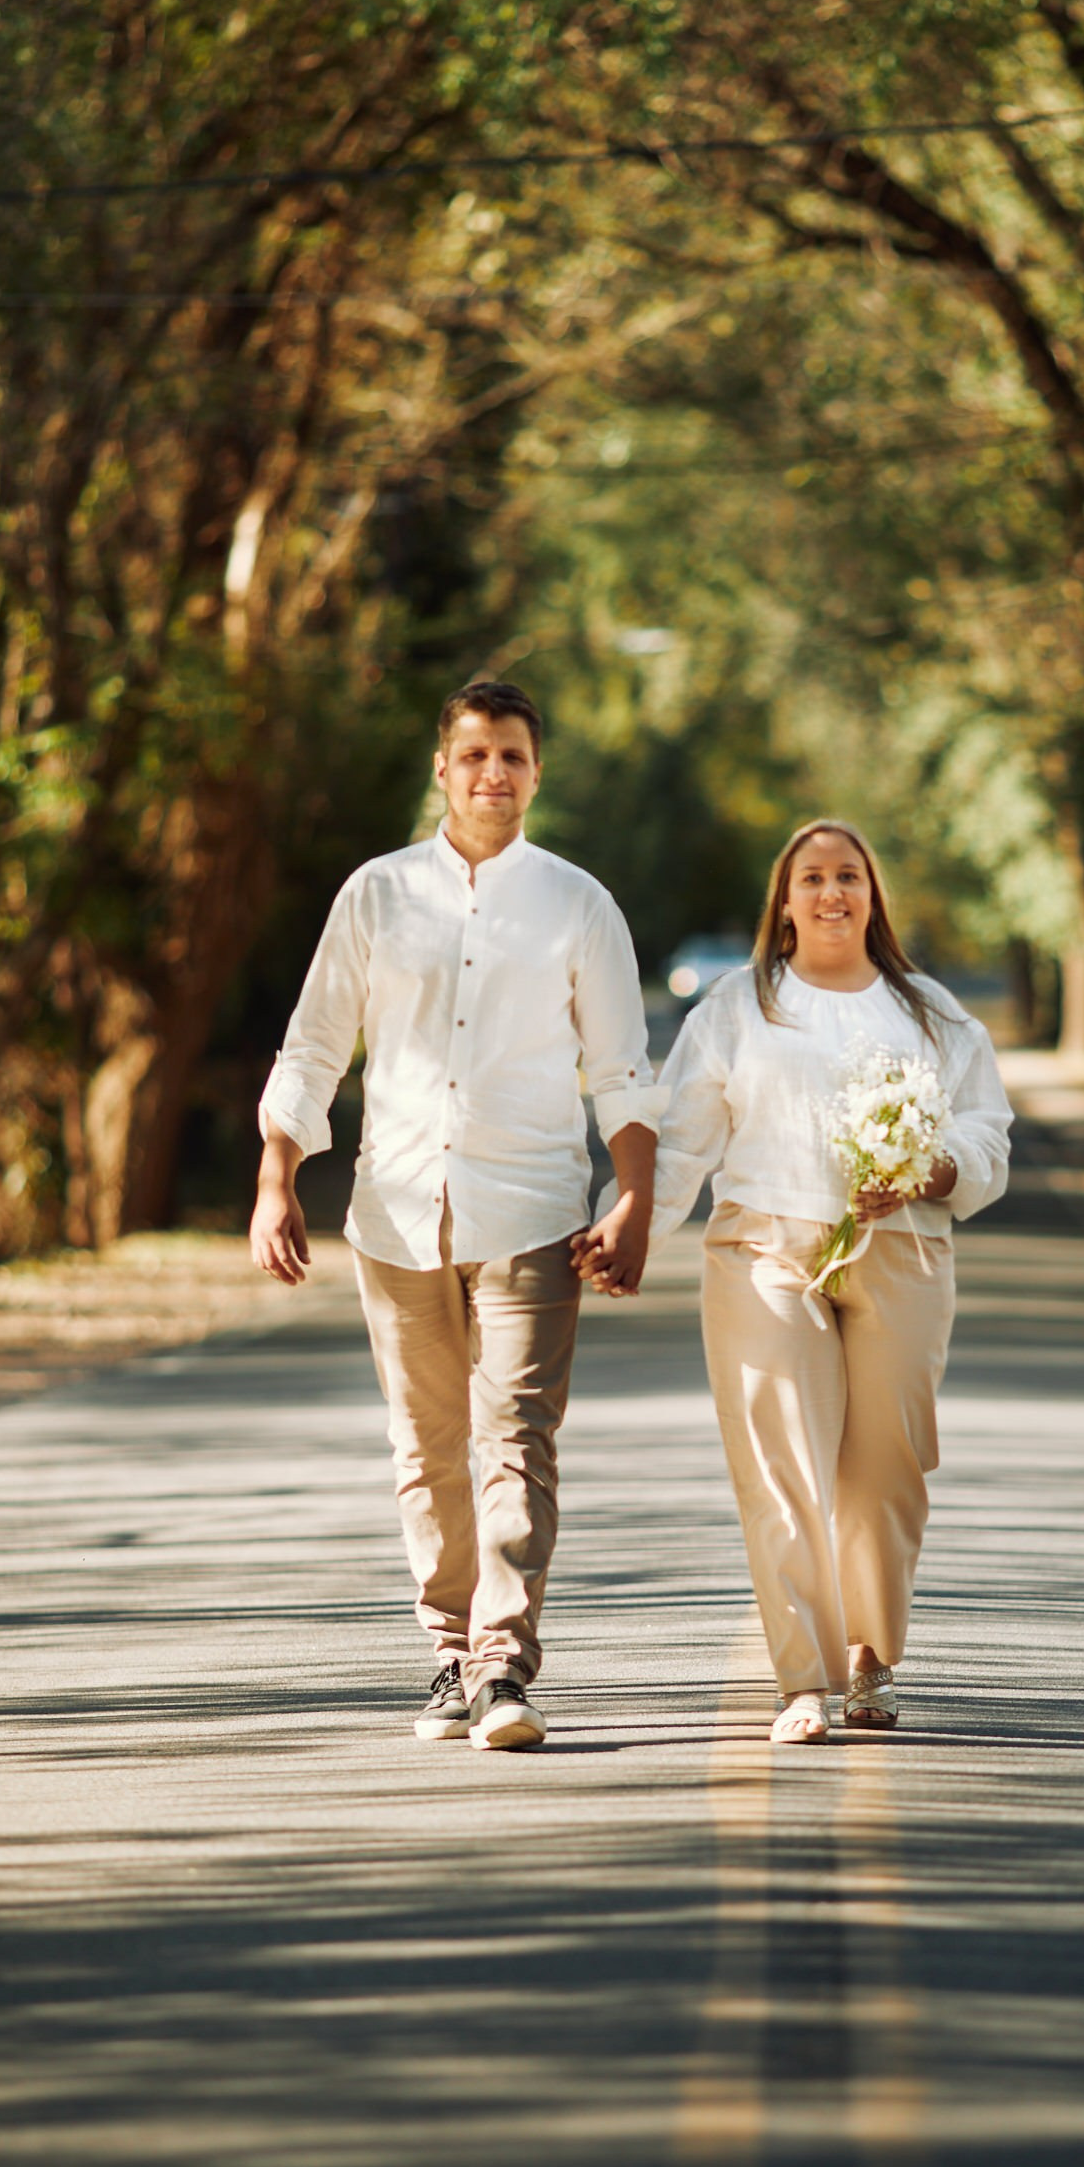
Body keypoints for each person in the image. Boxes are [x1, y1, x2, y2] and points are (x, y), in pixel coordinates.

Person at [249, 679, 657, 1752]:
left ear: (535, 770)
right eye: (473, 754)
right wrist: (274, 1179)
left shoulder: (577, 904)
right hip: (393, 1211)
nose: (492, 774)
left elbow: (619, 1069)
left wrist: (635, 1201)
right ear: (442, 767)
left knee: (514, 1440)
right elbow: (313, 1045)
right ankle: (446, 1652)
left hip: (531, 1212)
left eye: (512, 756)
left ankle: (502, 1666)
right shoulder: (376, 897)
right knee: (428, 1446)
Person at [595, 821, 1009, 1745]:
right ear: (783, 902)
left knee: (883, 1470)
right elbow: (687, 1139)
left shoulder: (932, 1013)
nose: (831, 894)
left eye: (848, 878)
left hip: (900, 1252)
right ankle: (805, 1682)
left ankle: (872, 1658)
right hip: (764, 1252)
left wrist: (933, 1169)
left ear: (873, 896)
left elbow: (988, 1135)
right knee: (782, 1467)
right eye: (811, 878)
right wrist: (631, 1226)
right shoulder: (738, 1009)